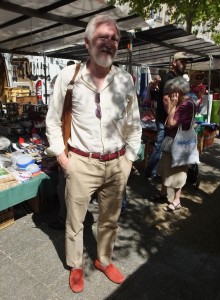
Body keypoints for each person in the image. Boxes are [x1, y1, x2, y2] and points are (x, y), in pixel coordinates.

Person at [45, 15, 142, 293]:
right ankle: (76, 265)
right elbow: (52, 121)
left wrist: (130, 159)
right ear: (87, 43)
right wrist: (63, 158)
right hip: (80, 163)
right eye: (103, 37)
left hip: (116, 164)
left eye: (114, 38)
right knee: (75, 221)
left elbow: (134, 123)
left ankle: (103, 259)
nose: (109, 43)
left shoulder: (124, 80)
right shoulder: (69, 76)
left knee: (110, 219)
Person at [145, 52, 191, 180]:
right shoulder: (169, 77)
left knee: (165, 147)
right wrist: (172, 117)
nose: (184, 64)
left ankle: (158, 171)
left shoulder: (177, 77)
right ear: (174, 62)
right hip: (164, 119)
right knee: (160, 147)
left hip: (169, 118)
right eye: (182, 61)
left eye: (185, 62)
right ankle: (150, 172)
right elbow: (166, 99)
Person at [157, 76, 196, 211]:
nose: (170, 93)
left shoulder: (185, 105)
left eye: (172, 91)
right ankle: (163, 193)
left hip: (179, 143)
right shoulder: (185, 102)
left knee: (177, 171)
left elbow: (171, 123)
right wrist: (172, 105)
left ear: (179, 90)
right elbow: (170, 117)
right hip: (173, 140)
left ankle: (177, 200)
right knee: (166, 168)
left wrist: (172, 105)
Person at [48, 60, 75, 231]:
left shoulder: (67, 103)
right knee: (65, 187)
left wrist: (61, 154)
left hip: (69, 151)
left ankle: (64, 218)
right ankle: (67, 218)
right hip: (68, 150)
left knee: (65, 188)